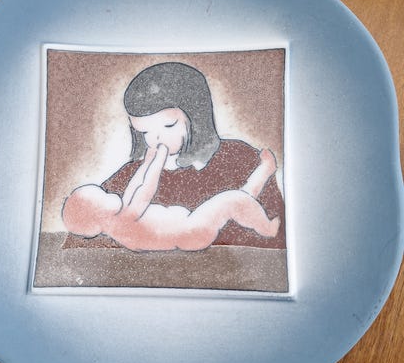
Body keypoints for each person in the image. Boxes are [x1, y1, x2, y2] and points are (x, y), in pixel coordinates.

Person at [96, 62, 286, 249]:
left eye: (169, 125)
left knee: (236, 202)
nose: (156, 138)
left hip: (223, 259)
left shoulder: (239, 157)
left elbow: (277, 240)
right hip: (175, 250)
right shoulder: (130, 176)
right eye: (144, 132)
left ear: (196, 117)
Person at [62, 144, 280, 252]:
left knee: (237, 202)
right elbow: (145, 190)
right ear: (96, 219)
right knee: (233, 201)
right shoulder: (123, 221)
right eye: (102, 196)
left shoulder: (118, 223)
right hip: (192, 230)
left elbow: (133, 188)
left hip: (189, 231)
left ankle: (264, 171)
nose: (108, 192)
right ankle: (267, 228)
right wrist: (159, 160)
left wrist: (147, 162)